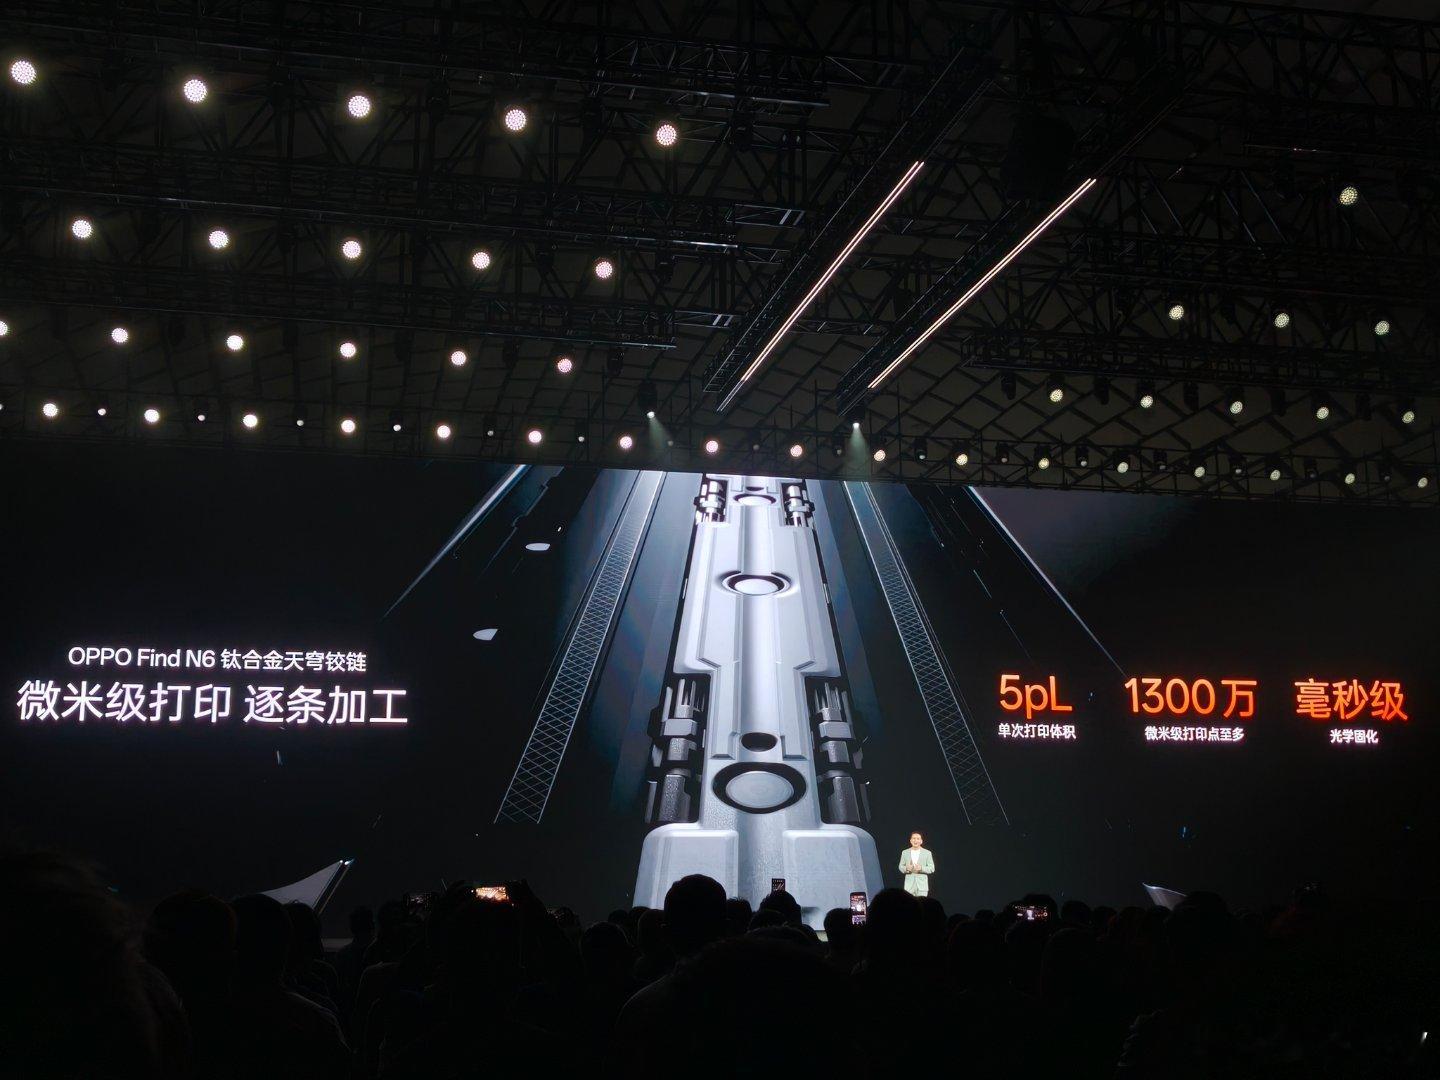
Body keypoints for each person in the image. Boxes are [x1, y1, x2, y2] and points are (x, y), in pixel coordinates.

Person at [899, 831, 935, 897]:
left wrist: (921, 868)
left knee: (922, 902)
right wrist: (906, 868)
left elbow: (932, 868)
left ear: (921, 841)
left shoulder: (927, 853)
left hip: (922, 885)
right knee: (908, 902)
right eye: (914, 838)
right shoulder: (905, 852)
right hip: (909, 885)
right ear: (910, 840)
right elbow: (901, 866)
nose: (915, 840)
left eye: (918, 839)